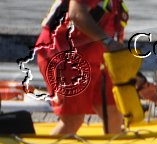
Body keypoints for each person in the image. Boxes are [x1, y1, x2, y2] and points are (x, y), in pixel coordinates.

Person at [32, 0, 150, 137]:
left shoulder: (117, 6)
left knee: (114, 111)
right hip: (64, 55)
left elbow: (116, 48)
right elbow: (76, 13)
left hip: (96, 60)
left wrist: (140, 81)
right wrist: (107, 41)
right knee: (72, 120)